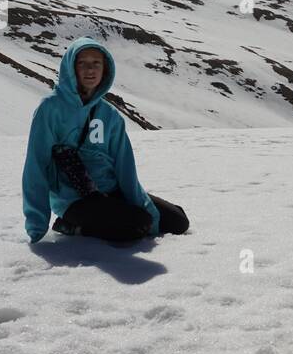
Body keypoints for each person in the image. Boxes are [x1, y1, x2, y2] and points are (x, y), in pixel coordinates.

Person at [22, 37, 189, 243]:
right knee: (137, 224)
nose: (89, 70)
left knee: (178, 222)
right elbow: (36, 166)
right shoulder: (50, 108)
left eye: (96, 63)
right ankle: (69, 225)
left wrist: (144, 205)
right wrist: (36, 223)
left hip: (111, 192)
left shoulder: (110, 115)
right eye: (82, 63)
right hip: (74, 199)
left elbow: (124, 167)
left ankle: (125, 216)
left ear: (105, 69)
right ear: (71, 67)